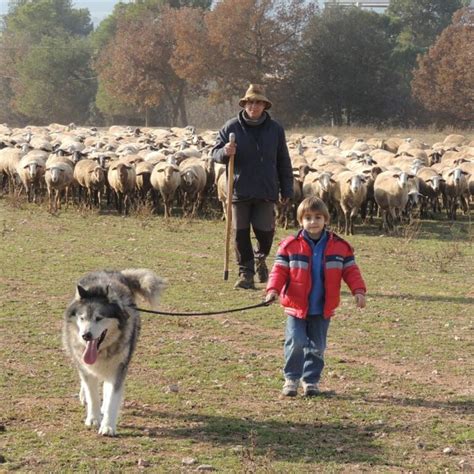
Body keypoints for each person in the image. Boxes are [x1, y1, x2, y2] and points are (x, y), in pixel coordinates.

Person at [265, 196, 367, 397]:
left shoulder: (340, 246)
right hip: (297, 306)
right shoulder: (290, 246)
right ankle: (291, 378)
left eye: (318, 217)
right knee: (296, 342)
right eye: (308, 217)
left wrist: (359, 291)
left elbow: (351, 271)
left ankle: (311, 381)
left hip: (322, 307)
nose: (313, 222)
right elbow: (279, 271)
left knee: (318, 346)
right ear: (300, 221)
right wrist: (272, 290)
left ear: (326, 219)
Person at [211, 84, 294, 290]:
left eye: (258, 102)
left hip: (266, 190)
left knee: (265, 231)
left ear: (265, 106)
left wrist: (287, 189)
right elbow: (214, 153)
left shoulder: (275, 130)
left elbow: (283, 160)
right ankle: (245, 272)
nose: (253, 106)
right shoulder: (231, 128)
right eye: (250, 102)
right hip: (239, 189)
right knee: (240, 232)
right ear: (245, 104)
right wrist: (225, 151)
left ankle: (260, 258)